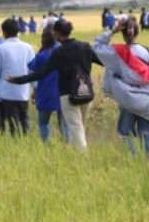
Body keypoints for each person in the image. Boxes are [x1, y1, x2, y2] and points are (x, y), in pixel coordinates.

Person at [9, 18, 102, 151]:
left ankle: (82, 156)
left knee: (76, 127)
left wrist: (18, 80)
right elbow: (102, 61)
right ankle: (74, 152)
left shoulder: (59, 52)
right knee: (80, 125)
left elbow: (41, 74)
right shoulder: (85, 46)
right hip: (86, 92)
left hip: (67, 94)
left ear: (57, 33)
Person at [93, 17, 149, 156]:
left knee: (125, 131)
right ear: (137, 32)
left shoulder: (116, 52)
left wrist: (112, 31)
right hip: (146, 99)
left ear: (122, 33)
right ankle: (146, 161)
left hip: (127, 99)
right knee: (146, 131)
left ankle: (133, 157)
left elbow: (96, 46)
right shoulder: (146, 51)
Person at [0, 18, 36, 135]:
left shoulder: (1, 48)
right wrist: (35, 87)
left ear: (3, 32)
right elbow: (33, 70)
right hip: (23, 92)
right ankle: (25, 142)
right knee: (24, 121)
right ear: (18, 31)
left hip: (6, 92)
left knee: (11, 122)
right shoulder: (28, 47)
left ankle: (15, 143)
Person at [28, 28, 64, 142]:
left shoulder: (41, 56)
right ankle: (68, 145)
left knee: (43, 123)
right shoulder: (62, 51)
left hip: (45, 92)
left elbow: (31, 68)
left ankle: (46, 144)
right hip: (62, 91)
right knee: (64, 123)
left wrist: (34, 91)